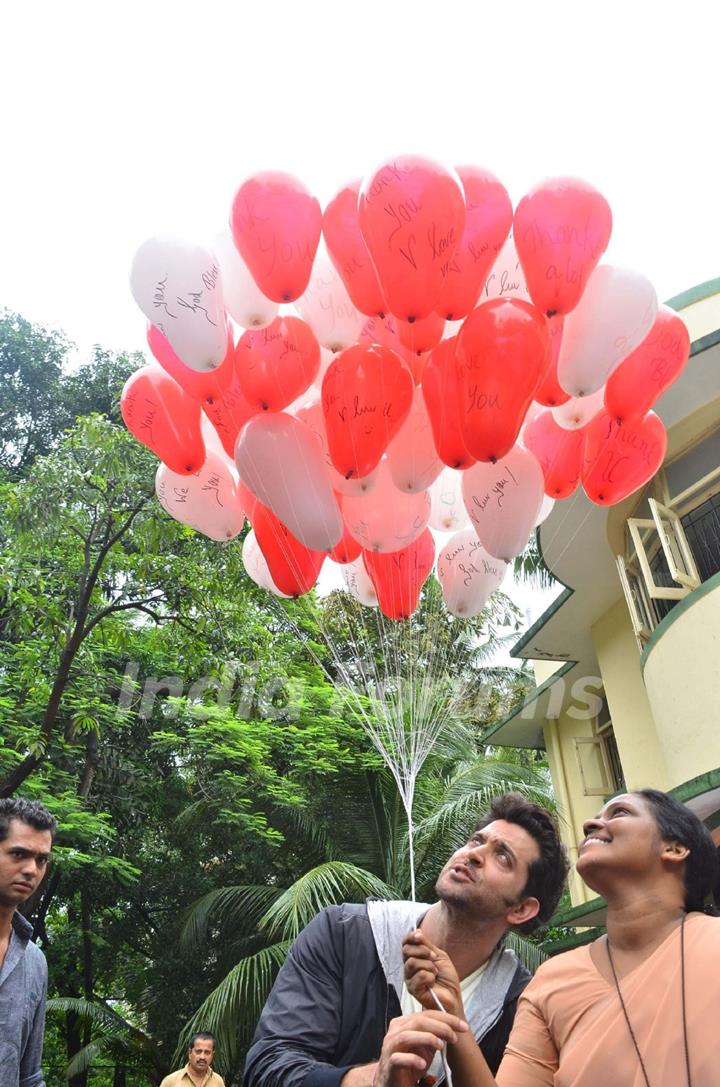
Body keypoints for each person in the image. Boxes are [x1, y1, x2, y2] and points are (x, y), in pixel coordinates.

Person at [393, 788, 720, 1087]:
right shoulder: (551, 980)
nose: (591, 823)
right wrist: (454, 1017)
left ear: (674, 848)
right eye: (596, 816)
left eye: (619, 813)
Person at [244, 793, 568, 1087]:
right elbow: (266, 1068)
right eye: (475, 841)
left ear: (522, 909)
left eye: (502, 857)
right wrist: (375, 1078)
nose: (474, 854)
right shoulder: (343, 933)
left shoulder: (525, 1006)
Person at [0, 797, 56, 1087]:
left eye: (41, 859)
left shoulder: (34, 962)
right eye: (18, 854)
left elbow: (29, 1076)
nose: (32, 870)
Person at [159, 1032, 225, 1087]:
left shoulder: (218, 1082)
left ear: (212, 1055)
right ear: (190, 1053)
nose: (202, 1057)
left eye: (207, 1052)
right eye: (198, 1052)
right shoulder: (171, 1081)